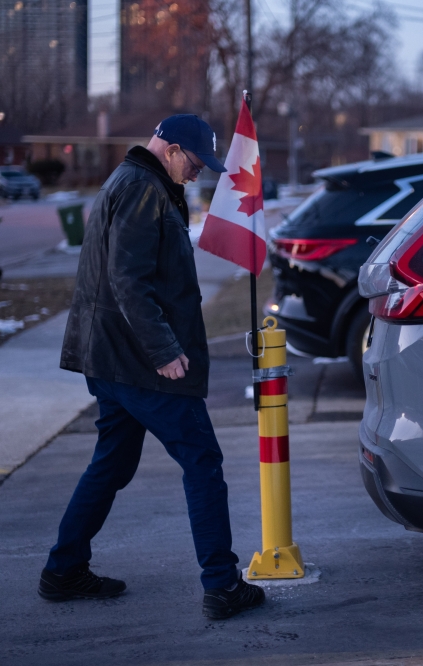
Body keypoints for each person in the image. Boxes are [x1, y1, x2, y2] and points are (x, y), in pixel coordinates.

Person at [39, 114, 264, 620]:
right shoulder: (142, 188)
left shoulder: (134, 180)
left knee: (111, 463)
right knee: (202, 462)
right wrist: (163, 350)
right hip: (140, 361)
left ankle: (63, 569)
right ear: (172, 149)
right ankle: (223, 586)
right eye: (196, 163)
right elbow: (127, 279)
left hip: (112, 357)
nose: (198, 174)